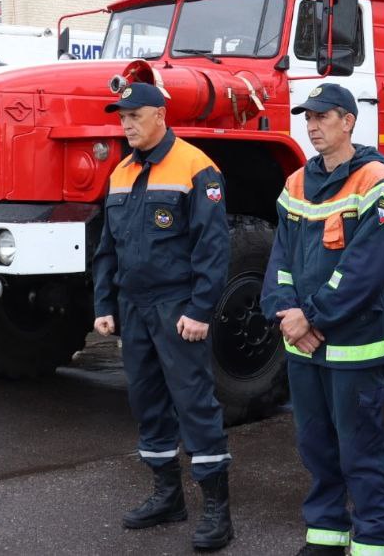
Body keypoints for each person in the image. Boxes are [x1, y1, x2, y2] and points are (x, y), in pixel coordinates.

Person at [260, 84, 384, 556]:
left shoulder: (375, 180)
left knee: (360, 451)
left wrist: (311, 317)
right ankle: (325, 535)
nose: (313, 125)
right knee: (316, 447)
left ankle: (373, 541)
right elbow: (280, 256)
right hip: (305, 345)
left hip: (353, 348)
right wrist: (284, 312)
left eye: (323, 116)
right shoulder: (297, 182)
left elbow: (365, 269)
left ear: (349, 121)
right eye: (309, 117)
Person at [92, 83, 235, 552]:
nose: (126, 124)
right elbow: (106, 248)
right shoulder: (120, 172)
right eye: (121, 117)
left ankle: (217, 509)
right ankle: (167, 496)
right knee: (147, 401)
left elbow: (213, 248)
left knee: (194, 402)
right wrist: (104, 306)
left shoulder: (196, 168)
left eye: (135, 115)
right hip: (133, 308)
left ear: (160, 114)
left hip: (177, 308)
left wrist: (200, 310)